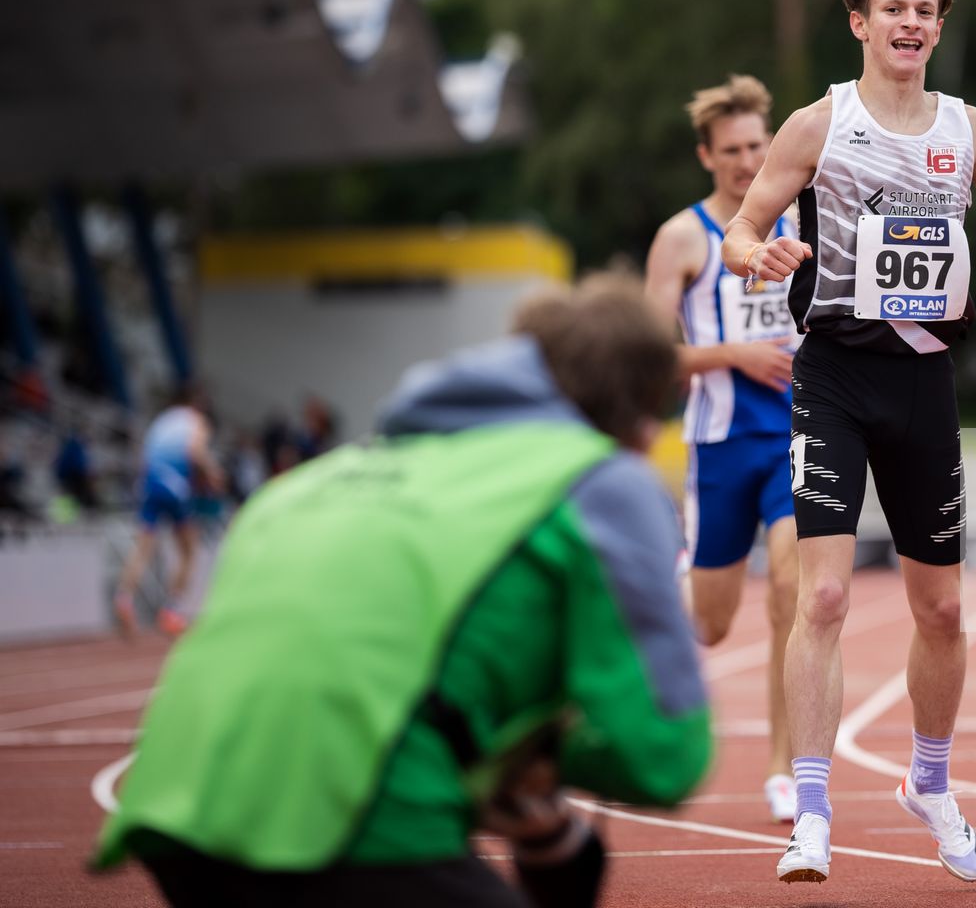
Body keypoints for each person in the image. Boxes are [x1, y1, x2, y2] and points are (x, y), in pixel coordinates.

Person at [94, 271, 712, 908]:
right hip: (358, 820)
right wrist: (540, 755)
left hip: (177, 811)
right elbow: (664, 755)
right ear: (642, 415)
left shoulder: (319, 478)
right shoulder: (601, 483)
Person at [719, 0, 976, 885]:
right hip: (832, 376)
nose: (910, 23)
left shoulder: (974, 128)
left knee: (942, 609)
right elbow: (743, 229)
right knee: (823, 595)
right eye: (893, 8)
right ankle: (814, 809)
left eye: (924, 11)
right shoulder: (816, 125)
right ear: (861, 22)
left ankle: (930, 783)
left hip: (923, 386)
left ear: (938, 28)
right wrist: (757, 253)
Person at [643, 74, 802, 822]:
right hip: (721, 445)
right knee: (711, 623)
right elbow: (644, 357)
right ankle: (669, 579)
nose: (748, 162)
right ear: (707, 154)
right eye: (733, 150)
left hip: (801, 437)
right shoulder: (683, 237)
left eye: (758, 146)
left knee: (792, 591)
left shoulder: (802, 217)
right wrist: (732, 356)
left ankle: (782, 767)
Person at [113, 385, 225, 638]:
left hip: (150, 483)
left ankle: (124, 597)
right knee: (188, 549)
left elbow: (144, 457)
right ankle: (171, 611)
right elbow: (195, 452)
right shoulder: (197, 421)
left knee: (143, 548)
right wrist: (213, 473)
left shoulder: (162, 420)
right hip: (174, 484)